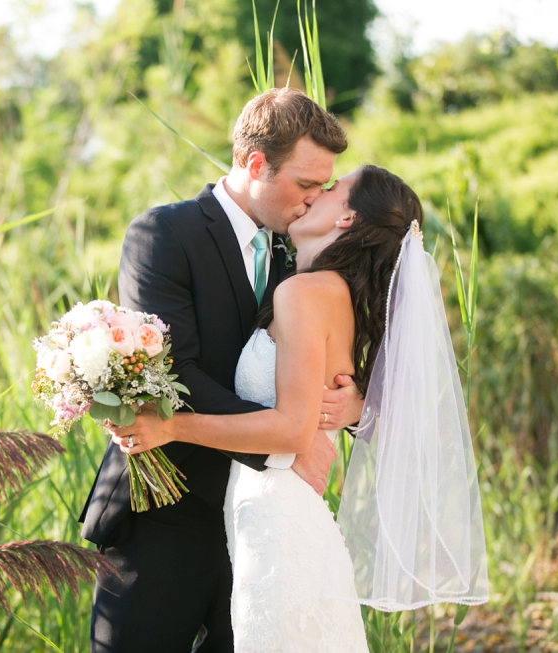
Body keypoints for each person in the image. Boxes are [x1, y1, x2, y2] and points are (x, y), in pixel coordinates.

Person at [112, 164, 490, 650]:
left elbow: (292, 432)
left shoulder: (304, 291)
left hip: (277, 519)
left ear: (348, 220)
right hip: (271, 517)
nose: (316, 196)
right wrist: (355, 404)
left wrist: (170, 427)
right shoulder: (334, 291)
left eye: (331, 189)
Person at [79, 88, 365, 653]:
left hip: (265, 527)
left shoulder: (303, 250)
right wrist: (287, 436)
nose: (313, 201)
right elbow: (174, 373)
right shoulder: (164, 234)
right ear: (256, 164)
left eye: (322, 188)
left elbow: (340, 351)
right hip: (165, 511)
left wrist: (352, 402)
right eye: (306, 184)